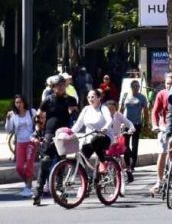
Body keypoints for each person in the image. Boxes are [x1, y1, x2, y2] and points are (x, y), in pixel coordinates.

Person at [33, 75, 78, 205]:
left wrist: (73, 119)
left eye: (63, 85)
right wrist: (37, 130)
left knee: (61, 162)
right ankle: (38, 192)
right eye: (59, 85)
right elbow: (38, 116)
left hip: (63, 133)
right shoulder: (48, 100)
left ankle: (60, 191)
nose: (62, 87)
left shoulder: (70, 99)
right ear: (53, 87)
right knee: (45, 161)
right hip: (49, 133)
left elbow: (75, 115)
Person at [71, 90, 113, 169]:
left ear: (99, 98)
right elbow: (78, 124)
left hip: (104, 137)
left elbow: (109, 120)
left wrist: (106, 127)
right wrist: (70, 132)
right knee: (81, 158)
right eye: (88, 97)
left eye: (93, 97)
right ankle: (86, 178)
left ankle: (103, 162)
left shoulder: (103, 108)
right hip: (89, 139)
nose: (90, 99)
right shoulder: (86, 109)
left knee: (95, 140)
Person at [5, 94, 37, 197]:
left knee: (29, 165)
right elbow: (9, 130)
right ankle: (28, 183)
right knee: (19, 167)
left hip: (31, 142)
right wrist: (8, 119)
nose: (19, 104)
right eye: (16, 102)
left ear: (24, 102)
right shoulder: (13, 115)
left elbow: (38, 125)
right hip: (20, 143)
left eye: (20, 102)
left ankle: (28, 187)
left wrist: (36, 136)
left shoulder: (31, 112)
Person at [150, 72, 172, 195]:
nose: (168, 86)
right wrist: (155, 126)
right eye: (167, 84)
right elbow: (155, 111)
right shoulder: (161, 94)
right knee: (163, 151)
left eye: (171, 84)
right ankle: (159, 181)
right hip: (164, 127)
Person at [119, 79, 149, 179]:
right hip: (125, 124)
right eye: (134, 86)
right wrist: (117, 121)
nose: (136, 88)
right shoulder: (125, 96)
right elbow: (120, 109)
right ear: (131, 87)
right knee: (125, 145)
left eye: (137, 86)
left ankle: (132, 166)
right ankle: (128, 163)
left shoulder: (142, 98)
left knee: (135, 144)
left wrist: (146, 123)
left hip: (136, 124)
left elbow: (145, 111)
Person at [104, 100, 136, 181]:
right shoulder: (103, 116)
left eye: (113, 109)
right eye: (109, 109)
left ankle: (128, 170)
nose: (111, 111)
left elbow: (128, 122)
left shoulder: (118, 115)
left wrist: (131, 128)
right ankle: (102, 171)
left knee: (126, 150)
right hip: (106, 138)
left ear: (116, 109)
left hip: (117, 138)